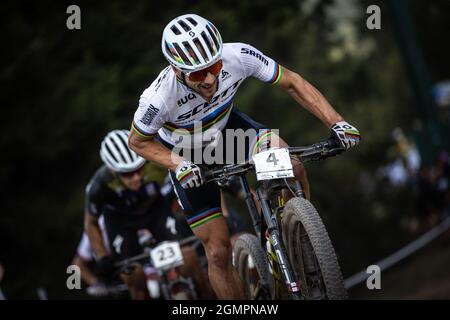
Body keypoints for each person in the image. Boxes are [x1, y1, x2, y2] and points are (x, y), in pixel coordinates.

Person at [128, 14, 361, 299]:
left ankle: (298, 239)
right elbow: (138, 141)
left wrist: (337, 122)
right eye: (199, 74)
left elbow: (292, 82)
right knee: (217, 251)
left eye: (214, 66)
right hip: (186, 154)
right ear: (176, 70)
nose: (211, 78)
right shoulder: (158, 97)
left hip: (231, 133)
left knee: (292, 165)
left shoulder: (236, 55)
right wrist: (178, 165)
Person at [85, 129, 212, 299]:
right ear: (113, 171)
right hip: (121, 222)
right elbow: (91, 223)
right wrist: (101, 256)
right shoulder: (99, 186)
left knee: (189, 258)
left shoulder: (155, 163)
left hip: (156, 211)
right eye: (128, 174)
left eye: (139, 169)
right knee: (133, 277)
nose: (136, 178)